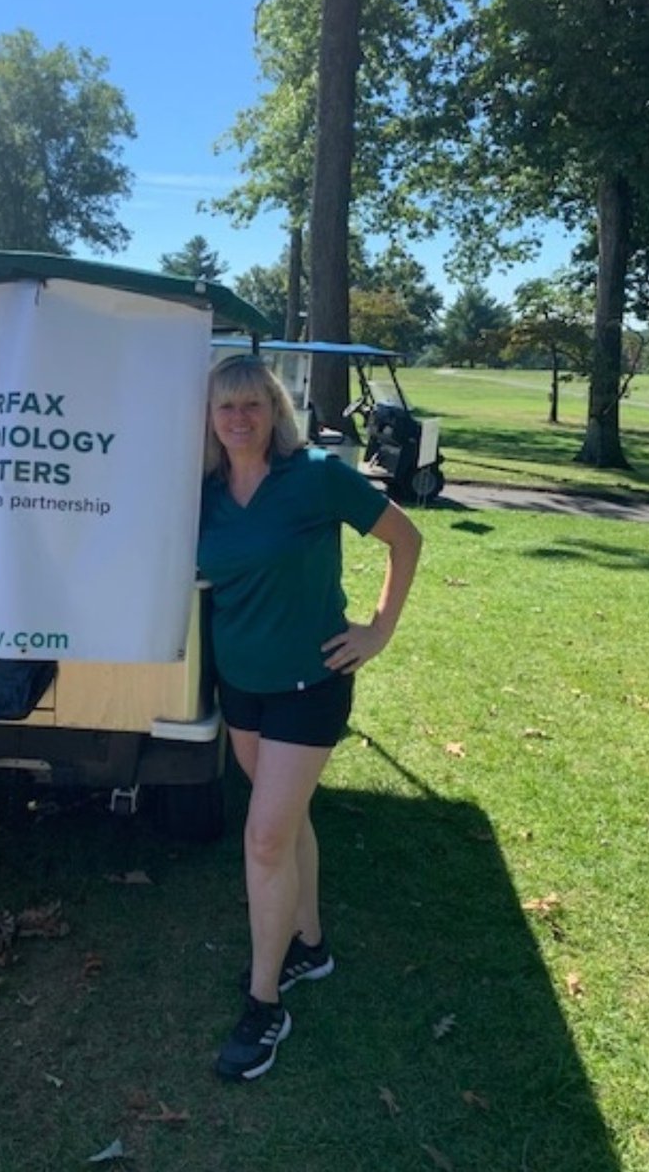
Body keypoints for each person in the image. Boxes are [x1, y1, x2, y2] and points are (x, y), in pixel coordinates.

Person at [197, 354, 422, 1082]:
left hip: (309, 684)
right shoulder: (201, 494)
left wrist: (378, 630)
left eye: (251, 405)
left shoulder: (316, 476)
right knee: (285, 821)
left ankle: (265, 1005)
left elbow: (406, 539)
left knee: (264, 838)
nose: (239, 419)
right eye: (225, 407)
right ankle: (311, 945)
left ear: (273, 410)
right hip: (243, 686)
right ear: (209, 417)